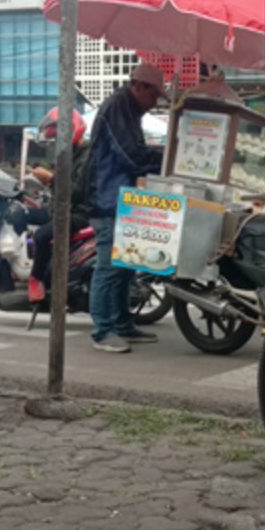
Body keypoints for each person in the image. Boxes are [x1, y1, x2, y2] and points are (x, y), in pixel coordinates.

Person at [88, 62, 168, 353]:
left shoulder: (131, 110)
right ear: (139, 86)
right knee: (109, 267)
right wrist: (166, 157)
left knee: (124, 266)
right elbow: (131, 157)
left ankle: (122, 324)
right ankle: (103, 330)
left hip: (123, 197)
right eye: (153, 96)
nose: (154, 103)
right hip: (107, 197)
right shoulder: (118, 106)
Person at [26, 108, 92, 304]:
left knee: (42, 235)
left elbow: (76, 191)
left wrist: (51, 179)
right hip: (62, 208)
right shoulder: (72, 154)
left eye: (58, 138)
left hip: (79, 213)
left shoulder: (86, 156)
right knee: (21, 214)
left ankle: (36, 278)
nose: (57, 144)